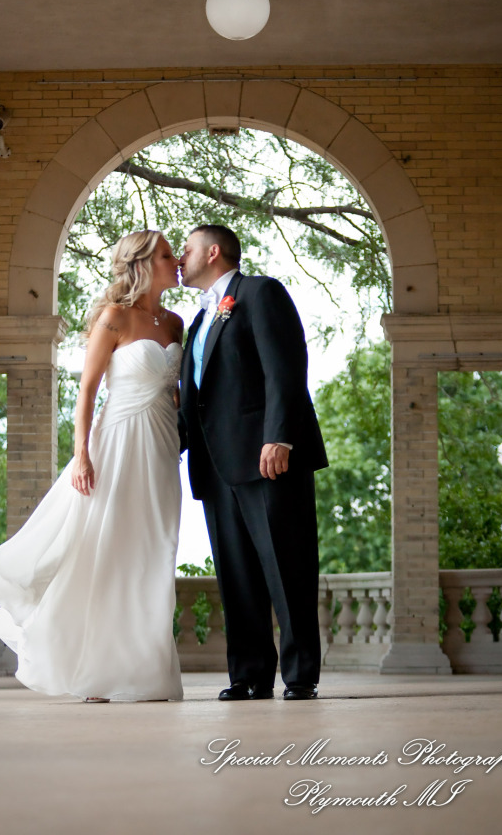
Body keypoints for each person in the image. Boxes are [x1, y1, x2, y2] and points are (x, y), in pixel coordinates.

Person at [0, 230, 185, 702]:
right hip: (116, 443)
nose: (177, 262)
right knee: (108, 551)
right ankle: (97, 672)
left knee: (156, 551)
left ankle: (147, 672)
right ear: (142, 264)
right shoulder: (113, 317)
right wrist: (83, 454)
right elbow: (86, 391)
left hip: (160, 448)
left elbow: (174, 391)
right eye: (167, 255)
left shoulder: (175, 323)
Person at [178, 225, 327, 701]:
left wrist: (279, 436)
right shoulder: (200, 319)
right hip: (214, 466)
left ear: (213, 252)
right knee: (236, 575)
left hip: (268, 459)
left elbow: (285, 367)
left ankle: (300, 676)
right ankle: (249, 675)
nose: (180, 258)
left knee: (288, 568)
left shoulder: (260, 292)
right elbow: (196, 397)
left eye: (186, 249)